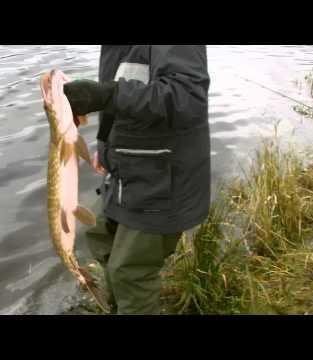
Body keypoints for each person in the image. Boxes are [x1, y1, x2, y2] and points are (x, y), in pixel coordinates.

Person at [63, 45, 211, 315]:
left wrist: (106, 94)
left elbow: (186, 97)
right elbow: (120, 91)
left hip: (162, 179)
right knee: (100, 239)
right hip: (124, 170)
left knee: (130, 272)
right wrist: (105, 144)